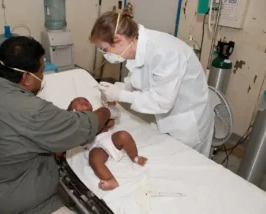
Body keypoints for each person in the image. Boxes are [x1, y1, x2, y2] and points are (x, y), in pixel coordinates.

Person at [0, 36, 120, 214]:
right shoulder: (32, 111)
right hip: (24, 206)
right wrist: (107, 111)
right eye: (41, 72)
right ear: (26, 77)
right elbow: (84, 126)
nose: (42, 79)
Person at [90, 3, 214, 157]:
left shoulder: (165, 52)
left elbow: (161, 101)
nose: (105, 54)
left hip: (188, 123)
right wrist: (114, 90)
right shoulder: (136, 48)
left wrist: (119, 95)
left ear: (118, 39)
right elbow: (137, 82)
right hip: (167, 119)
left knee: (188, 165)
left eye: (104, 49)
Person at [68, 97, 147, 191]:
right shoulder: (79, 126)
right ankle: (110, 180)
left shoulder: (98, 116)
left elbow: (111, 122)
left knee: (123, 135)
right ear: (73, 111)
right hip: (97, 146)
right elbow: (79, 140)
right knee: (94, 159)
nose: (83, 101)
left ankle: (135, 157)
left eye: (86, 101)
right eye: (78, 102)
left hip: (110, 139)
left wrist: (110, 107)